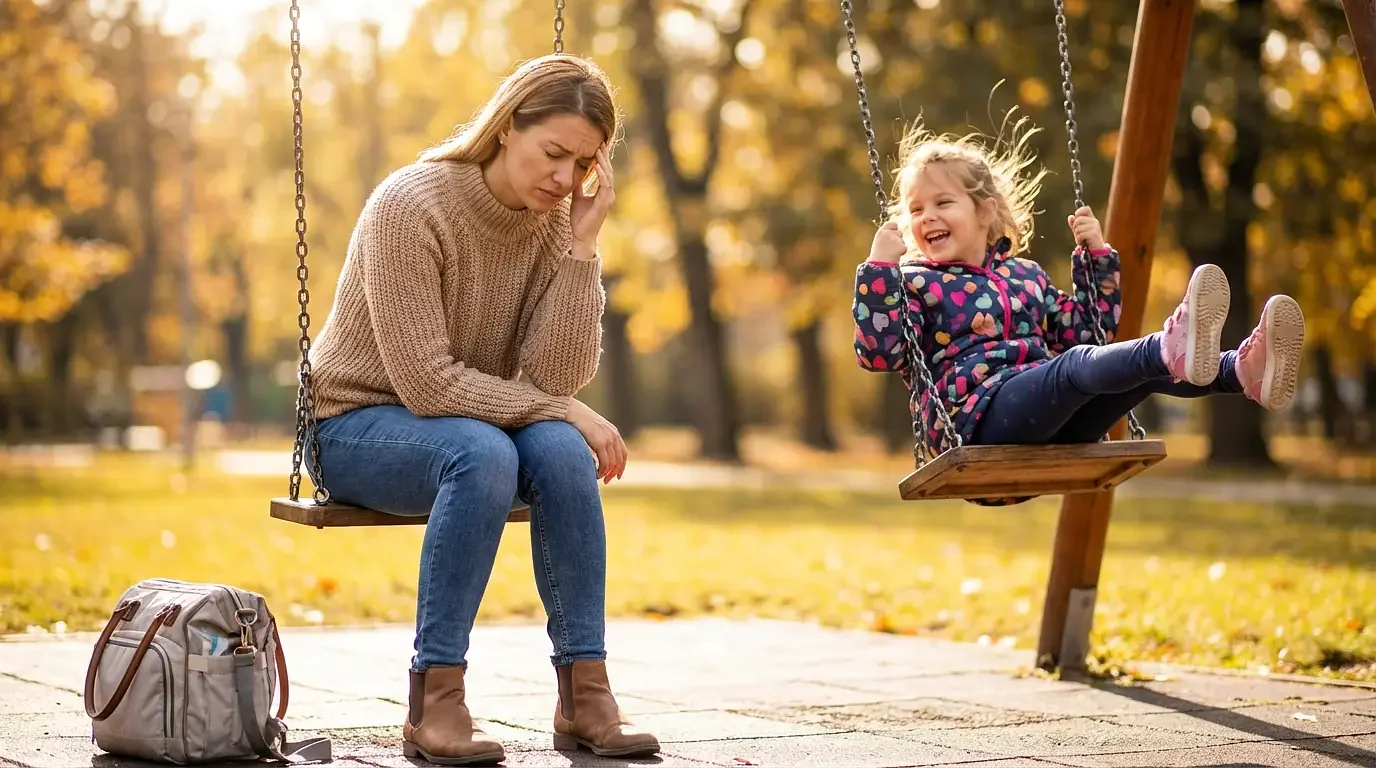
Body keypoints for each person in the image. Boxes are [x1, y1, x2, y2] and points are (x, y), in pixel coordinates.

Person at [306, 54, 659, 764]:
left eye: (582, 164)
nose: (563, 178)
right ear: (506, 128)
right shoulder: (411, 205)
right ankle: (435, 700)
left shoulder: (557, 222)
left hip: (469, 421)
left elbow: (559, 371)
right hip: (354, 425)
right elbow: (429, 386)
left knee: (560, 453)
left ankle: (584, 696)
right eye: (552, 153)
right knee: (488, 451)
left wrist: (583, 246)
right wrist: (568, 410)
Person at [852, 119, 1306, 479]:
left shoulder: (1025, 276)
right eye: (915, 210)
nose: (926, 217)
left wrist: (1096, 261)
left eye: (942, 203)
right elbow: (879, 354)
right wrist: (879, 272)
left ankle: (1241, 372)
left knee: (1133, 373)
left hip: (1055, 422)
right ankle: (1171, 347)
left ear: (985, 210)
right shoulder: (910, 282)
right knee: (1081, 367)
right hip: (976, 423)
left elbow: (1088, 332)